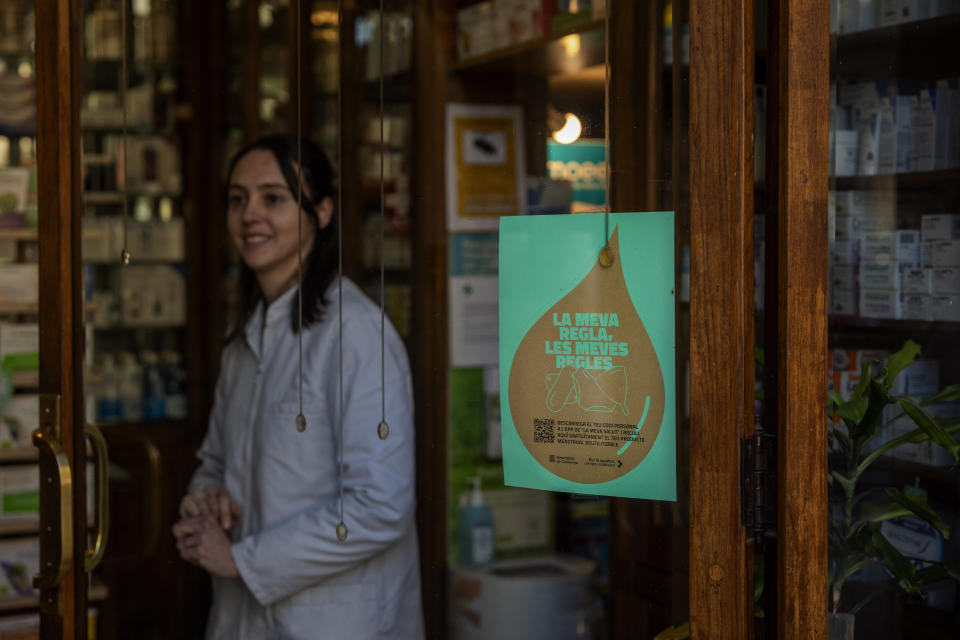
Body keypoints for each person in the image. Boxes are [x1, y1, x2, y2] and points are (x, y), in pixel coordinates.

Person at [172, 134, 423, 639]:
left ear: (322, 212)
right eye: (238, 199)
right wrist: (205, 502)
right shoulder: (244, 343)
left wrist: (244, 561)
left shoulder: (358, 337)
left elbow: (381, 506)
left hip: (334, 622)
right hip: (244, 618)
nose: (250, 216)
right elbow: (215, 463)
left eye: (274, 198)